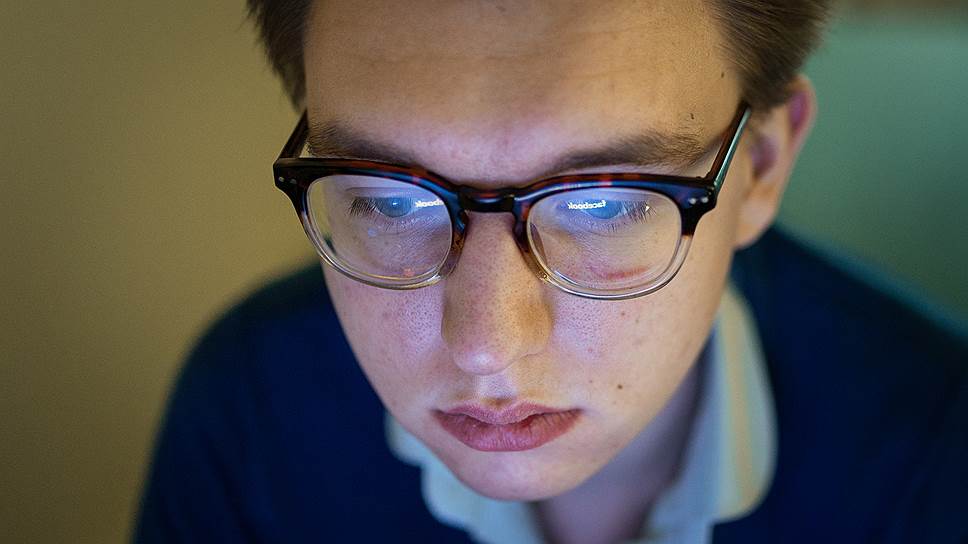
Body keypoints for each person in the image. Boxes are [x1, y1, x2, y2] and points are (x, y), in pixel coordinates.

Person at [134, 1, 968, 542]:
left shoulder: (939, 452)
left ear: (763, 166)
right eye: (390, 200)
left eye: (602, 203)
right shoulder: (249, 413)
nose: (486, 345)